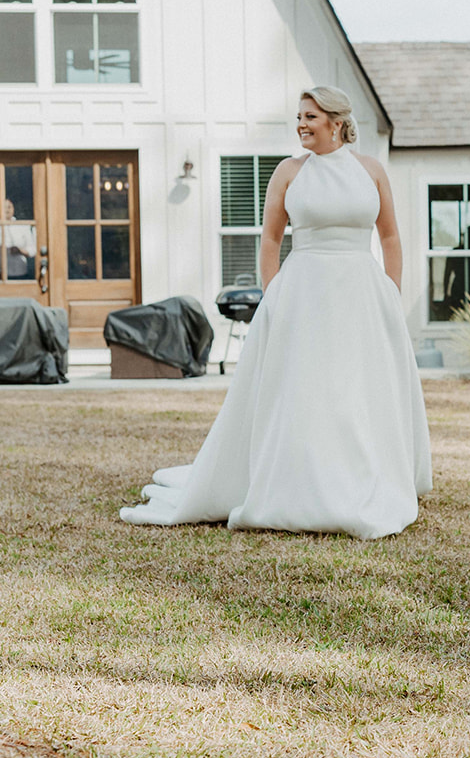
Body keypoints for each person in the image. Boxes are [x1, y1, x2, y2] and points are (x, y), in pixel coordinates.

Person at [120, 86, 432, 539]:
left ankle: (364, 477)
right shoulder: (289, 172)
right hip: (303, 292)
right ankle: (298, 481)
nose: (301, 124)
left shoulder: (371, 171)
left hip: (362, 294)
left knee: (357, 388)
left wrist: (391, 291)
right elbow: (270, 240)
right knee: (306, 388)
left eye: (310, 116)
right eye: (299, 117)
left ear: (336, 120)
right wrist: (274, 296)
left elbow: (390, 238)